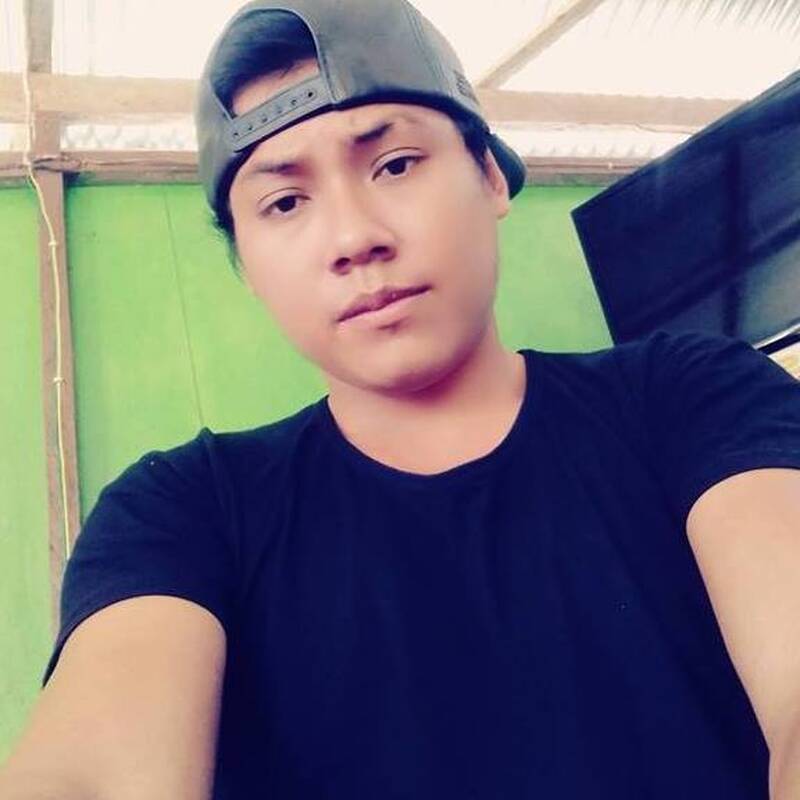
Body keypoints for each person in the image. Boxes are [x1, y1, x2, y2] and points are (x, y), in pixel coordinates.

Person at [2, 1, 800, 798]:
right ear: (246, 264)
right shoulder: (183, 513)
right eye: (285, 203)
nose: (354, 238)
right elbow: (90, 773)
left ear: (490, 175)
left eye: (395, 165)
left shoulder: (692, 397)